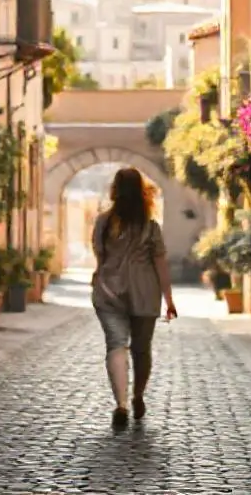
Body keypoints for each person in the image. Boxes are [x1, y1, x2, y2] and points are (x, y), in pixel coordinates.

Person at [90, 167, 177, 429]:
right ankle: (138, 395)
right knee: (141, 349)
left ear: (114, 191)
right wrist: (169, 300)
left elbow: (100, 256)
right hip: (144, 293)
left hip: (108, 292)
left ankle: (121, 404)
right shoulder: (150, 227)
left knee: (116, 345)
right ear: (142, 192)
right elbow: (160, 264)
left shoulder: (103, 223)